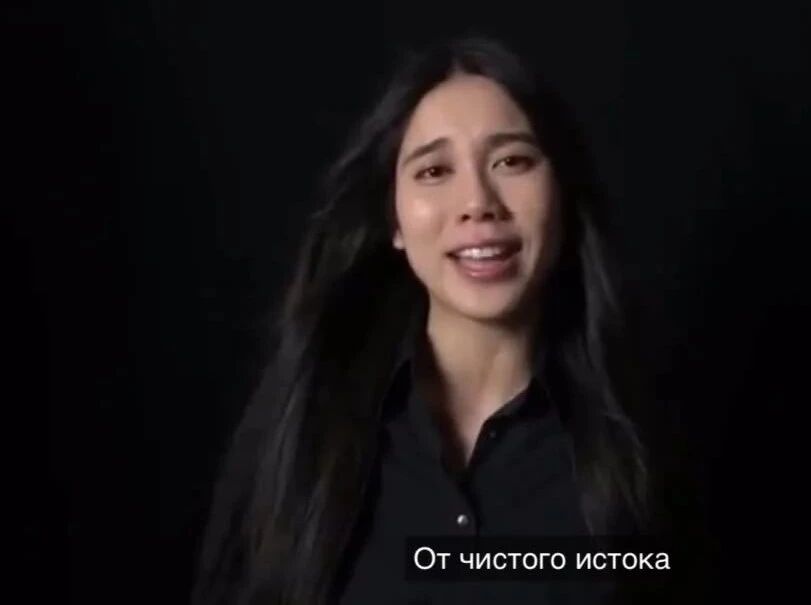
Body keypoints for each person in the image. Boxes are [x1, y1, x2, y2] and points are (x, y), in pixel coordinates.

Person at [192, 35, 669, 604]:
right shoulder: (302, 414)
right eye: (434, 170)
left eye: (511, 161)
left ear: (562, 193)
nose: (478, 202)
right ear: (393, 221)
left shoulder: (642, 437)